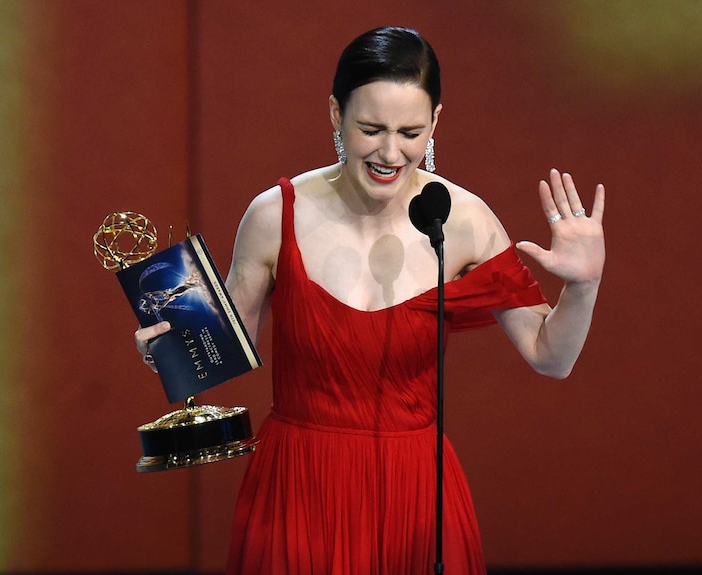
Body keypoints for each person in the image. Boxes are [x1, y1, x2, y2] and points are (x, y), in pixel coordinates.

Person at [135, 26, 605, 575]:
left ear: (435, 122)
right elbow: (219, 348)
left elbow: (551, 355)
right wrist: (168, 344)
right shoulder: (274, 216)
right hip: (299, 487)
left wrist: (584, 284)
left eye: (410, 131)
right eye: (370, 129)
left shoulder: (464, 221)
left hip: (415, 493)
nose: (390, 152)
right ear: (336, 114)